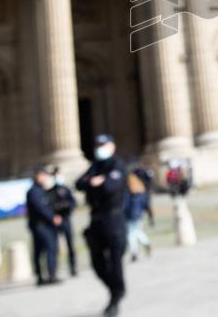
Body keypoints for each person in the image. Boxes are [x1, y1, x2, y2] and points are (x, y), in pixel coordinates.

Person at [76, 134, 128, 316]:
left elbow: (110, 186)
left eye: (103, 145)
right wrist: (94, 182)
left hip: (114, 220)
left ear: (112, 147)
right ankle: (115, 289)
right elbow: (79, 183)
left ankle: (116, 296)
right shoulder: (95, 166)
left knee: (115, 262)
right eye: (98, 145)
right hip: (96, 220)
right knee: (97, 263)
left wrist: (96, 182)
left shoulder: (117, 165)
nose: (100, 149)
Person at [26, 165, 61, 286]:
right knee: (45, 249)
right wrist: (52, 217)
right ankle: (47, 275)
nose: (45, 178)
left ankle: (48, 274)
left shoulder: (43, 190)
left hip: (46, 225)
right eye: (43, 175)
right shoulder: (34, 191)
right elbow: (40, 208)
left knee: (47, 249)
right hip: (41, 225)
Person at [47, 165, 77, 277]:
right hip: (55, 220)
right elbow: (49, 206)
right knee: (54, 246)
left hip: (66, 219)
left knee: (70, 245)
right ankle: (54, 271)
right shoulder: (50, 191)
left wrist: (67, 206)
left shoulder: (66, 189)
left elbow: (73, 203)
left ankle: (73, 267)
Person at [124, 166, 152, 262]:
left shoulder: (128, 192)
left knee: (131, 233)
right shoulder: (140, 189)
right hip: (139, 214)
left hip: (130, 214)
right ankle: (146, 243)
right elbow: (145, 203)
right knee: (136, 231)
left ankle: (134, 252)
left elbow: (125, 204)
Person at [134, 162, 156, 227]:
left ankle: (151, 220)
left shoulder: (146, 171)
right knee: (139, 206)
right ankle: (139, 220)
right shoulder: (135, 172)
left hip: (146, 191)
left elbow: (150, 180)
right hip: (138, 191)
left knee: (147, 205)